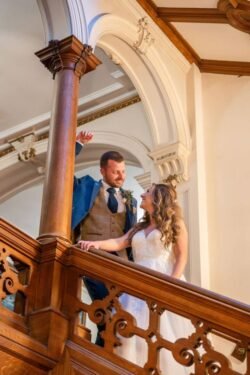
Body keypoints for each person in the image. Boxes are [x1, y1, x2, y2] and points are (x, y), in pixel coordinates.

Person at [78, 182, 192, 373]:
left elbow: (182, 256)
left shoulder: (176, 224)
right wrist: (94, 244)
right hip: (137, 284)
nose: (142, 195)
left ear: (157, 198)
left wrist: (171, 284)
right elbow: (119, 242)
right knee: (131, 331)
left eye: (147, 192)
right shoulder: (140, 226)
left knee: (163, 333)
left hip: (163, 280)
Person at [72, 131, 137, 347]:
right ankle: (104, 352)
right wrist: (77, 145)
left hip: (121, 263)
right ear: (102, 170)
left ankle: (110, 353)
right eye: (115, 171)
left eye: (123, 171)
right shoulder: (88, 188)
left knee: (122, 313)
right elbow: (61, 172)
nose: (121, 176)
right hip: (92, 259)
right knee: (103, 311)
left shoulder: (130, 199)